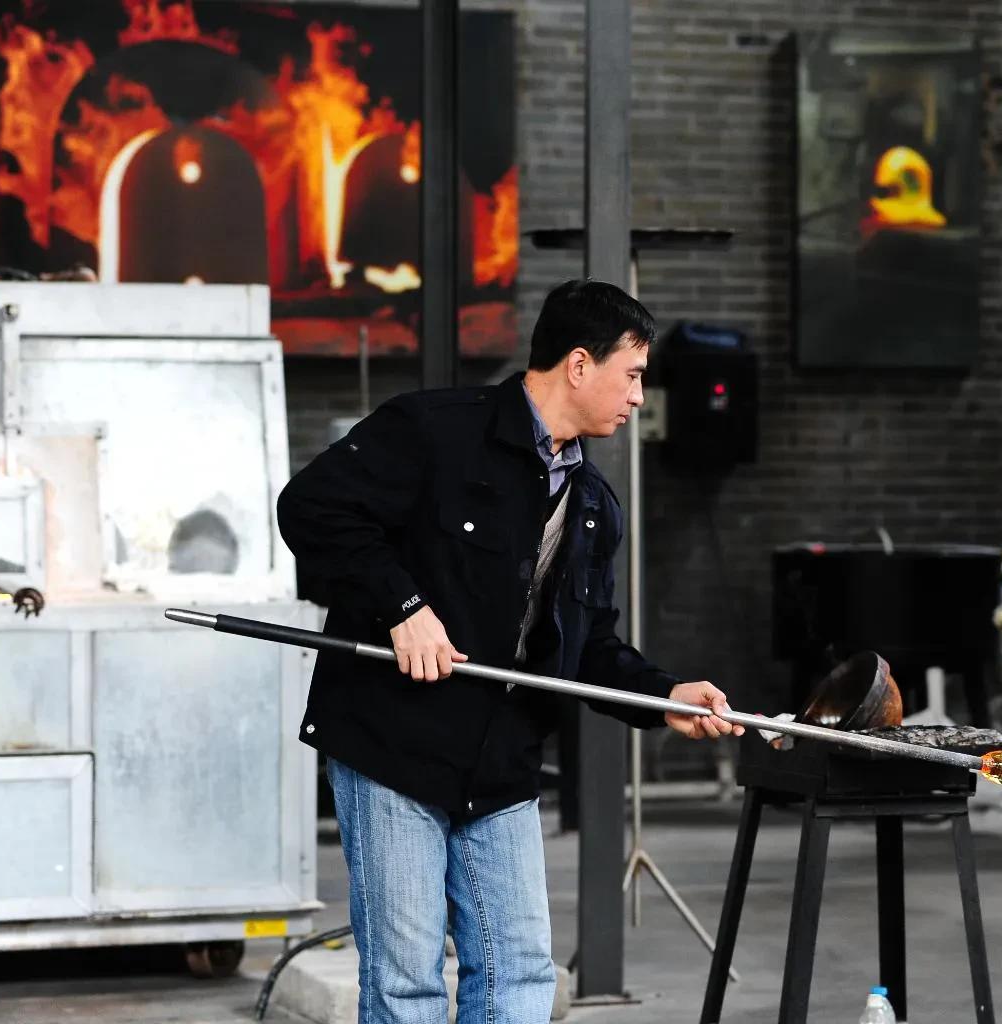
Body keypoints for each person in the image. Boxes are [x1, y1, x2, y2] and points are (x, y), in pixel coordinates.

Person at [277, 279, 741, 1024]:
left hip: (499, 762)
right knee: (407, 984)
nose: (637, 397)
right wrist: (402, 608)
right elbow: (310, 507)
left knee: (517, 973)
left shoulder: (592, 507)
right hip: (394, 743)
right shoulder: (432, 430)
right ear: (580, 364)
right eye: (632, 374)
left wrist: (664, 698)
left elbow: (588, 646)